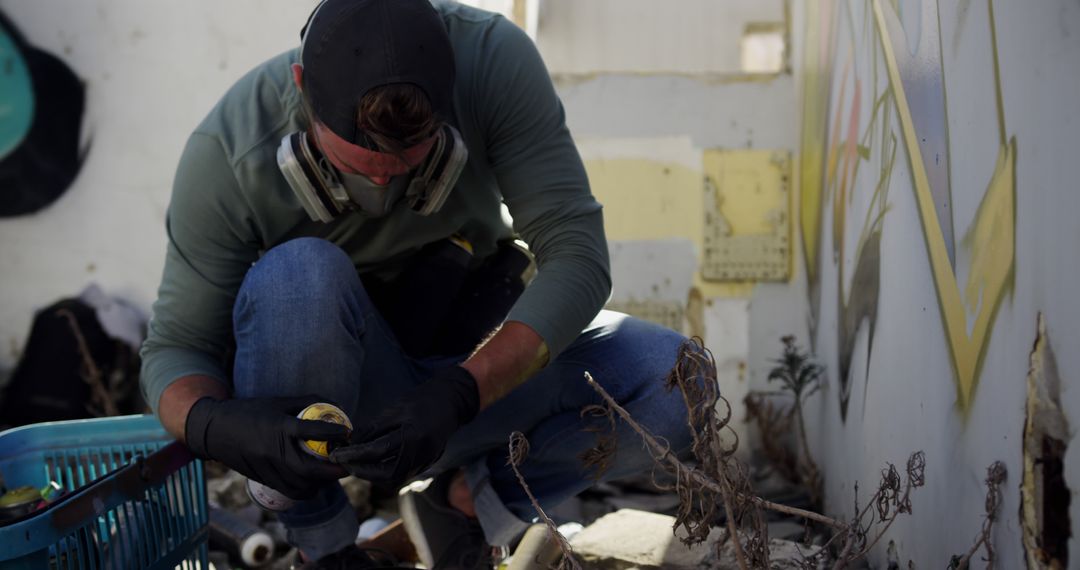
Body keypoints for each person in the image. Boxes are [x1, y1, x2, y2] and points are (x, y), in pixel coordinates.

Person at [141, 0, 694, 568]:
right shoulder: (229, 151)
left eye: (405, 163)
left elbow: (578, 255)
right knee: (297, 274)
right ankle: (324, 547)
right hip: (340, 410)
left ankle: (464, 509)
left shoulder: (491, 60)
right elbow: (176, 349)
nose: (381, 183)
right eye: (360, 166)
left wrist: (462, 392)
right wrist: (213, 424)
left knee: (676, 382)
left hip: (469, 370)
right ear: (302, 88)